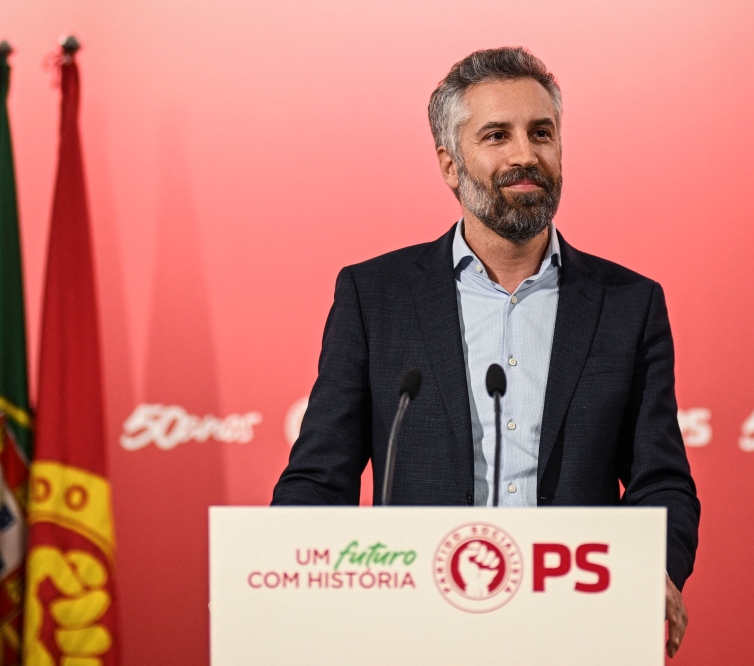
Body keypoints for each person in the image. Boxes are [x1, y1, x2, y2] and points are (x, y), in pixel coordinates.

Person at [271, 47, 699, 657]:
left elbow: (662, 481)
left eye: (541, 133)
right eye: (496, 135)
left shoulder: (627, 304)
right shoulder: (376, 296)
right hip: (413, 629)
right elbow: (320, 477)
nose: (525, 155)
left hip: (574, 628)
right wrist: (283, 578)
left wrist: (653, 570)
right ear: (450, 163)